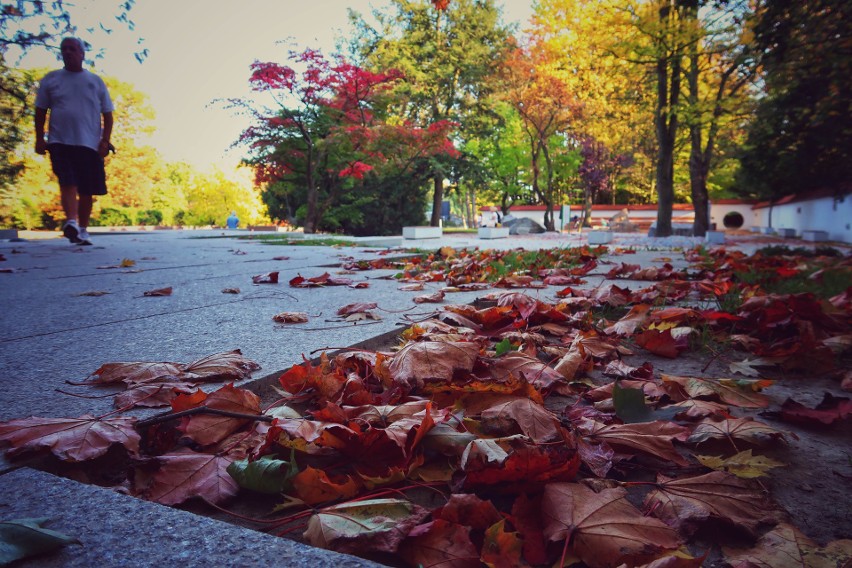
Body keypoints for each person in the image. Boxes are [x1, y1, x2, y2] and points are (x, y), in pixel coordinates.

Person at [35, 37, 114, 246]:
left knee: (87, 189)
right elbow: (40, 111)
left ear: (82, 53)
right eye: (64, 49)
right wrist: (39, 138)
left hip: (89, 143)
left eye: (72, 49)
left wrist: (105, 141)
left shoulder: (95, 81)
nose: (68, 52)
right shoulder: (51, 80)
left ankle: (83, 229)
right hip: (59, 140)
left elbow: (108, 114)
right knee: (67, 180)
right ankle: (71, 222)